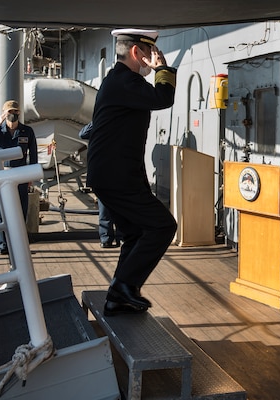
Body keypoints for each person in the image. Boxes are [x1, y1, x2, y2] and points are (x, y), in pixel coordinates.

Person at [86, 28, 178, 316]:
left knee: (136, 233)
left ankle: (120, 295)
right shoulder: (123, 81)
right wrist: (163, 69)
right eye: (151, 54)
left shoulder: (120, 82)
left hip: (113, 174)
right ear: (138, 53)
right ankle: (123, 287)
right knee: (163, 226)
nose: (155, 59)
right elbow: (163, 97)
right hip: (116, 175)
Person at [0, 100, 38, 255]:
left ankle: (19, 245)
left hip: (20, 176)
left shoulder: (27, 131)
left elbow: (33, 155)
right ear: (5, 114)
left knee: (20, 212)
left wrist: (31, 175)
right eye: (10, 112)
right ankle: (3, 246)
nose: (13, 115)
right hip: (2, 175)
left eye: (15, 112)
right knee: (1, 212)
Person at [79, 122, 123, 248]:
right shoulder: (98, 125)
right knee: (104, 209)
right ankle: (106, 239)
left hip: (117, 171)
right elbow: (82, 134)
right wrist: (97, 120)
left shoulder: (121, 126)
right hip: (103, 172)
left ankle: (121, 237)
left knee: (120, 208)